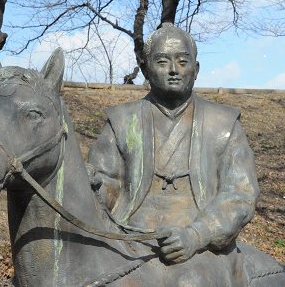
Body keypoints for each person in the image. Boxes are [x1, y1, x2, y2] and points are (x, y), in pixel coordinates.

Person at [87, 23, 260, 286]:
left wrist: (197, 235)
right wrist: (92, 186)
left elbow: (239, 195)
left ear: (196, 69)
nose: (173, 70)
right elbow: (107, 183)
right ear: (145, 69)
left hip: (200, 245)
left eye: (182, 62)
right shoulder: (121, 121)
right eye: (162, 61)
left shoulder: (224, 124)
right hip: (129, 239)